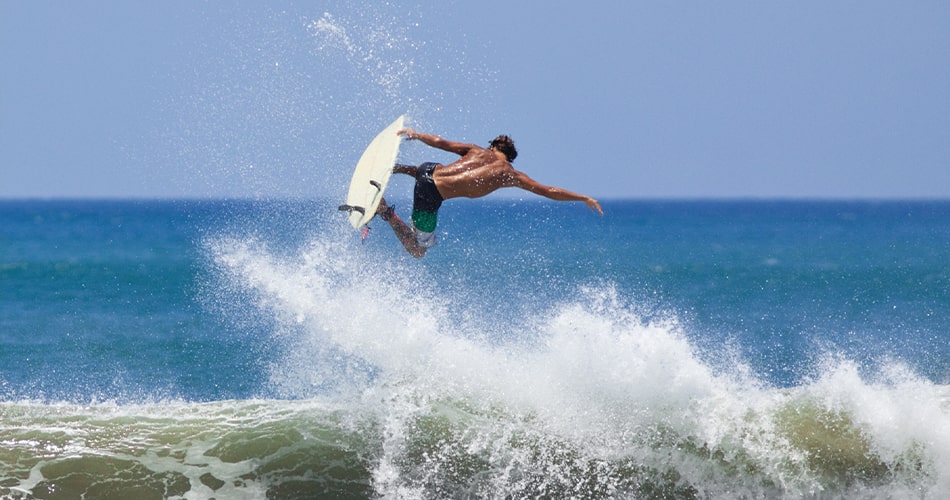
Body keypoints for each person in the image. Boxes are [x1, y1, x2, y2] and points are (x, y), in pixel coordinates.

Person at [375, 128, 604, 258]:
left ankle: (396, 168)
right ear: (510, 157)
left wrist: (417, 134)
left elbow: (441, 142)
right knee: (418, 251)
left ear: (493, 148)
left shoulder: (476, 150)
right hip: (431, 194)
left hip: (427, 169)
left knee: (433, 171)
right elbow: (548, 191)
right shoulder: (510, 174)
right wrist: (582, 197)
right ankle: (385, 212)